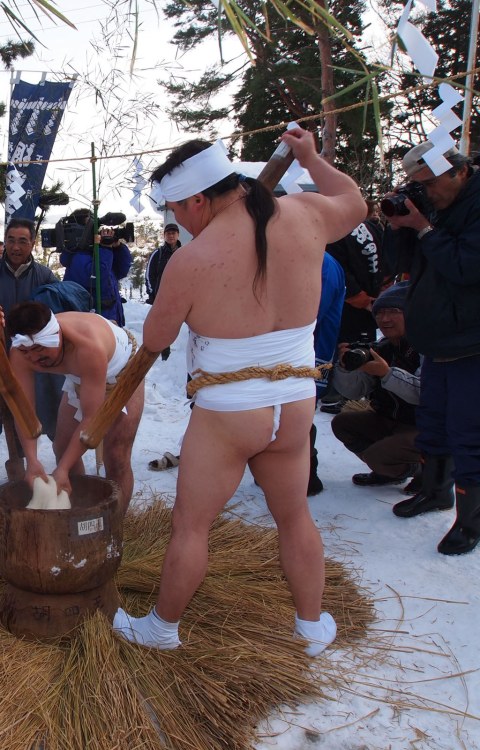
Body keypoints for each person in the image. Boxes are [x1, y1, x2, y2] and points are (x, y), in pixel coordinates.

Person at [112, 126, 366, 654]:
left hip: (229, 410)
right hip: (294, 401)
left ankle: (161, 628)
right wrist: (311, 157)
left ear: (199, 199)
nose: (177, 221)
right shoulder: (306, 213)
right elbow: (355, 203)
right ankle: (313, 624)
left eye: (178, 209)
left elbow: (157, 338)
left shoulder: (192, 260)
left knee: (191, 527)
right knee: (294, 515)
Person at [385, 141, 480, 556]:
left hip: (472, 341)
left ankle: (471, 521)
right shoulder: (436, 205)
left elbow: (465, 266)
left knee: (468, 432)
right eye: (416, 184)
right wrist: (402, 227)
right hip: (438, 338)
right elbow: (400, 266)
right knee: (434, 421)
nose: (424, 191)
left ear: (458, 171)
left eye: (429, 183)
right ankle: (435, 490)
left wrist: (425, 228)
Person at [6, 301, 144, 515]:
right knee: (62, 448)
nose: (33, 358)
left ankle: (116, 530)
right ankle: (77, 511)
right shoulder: (20, 354)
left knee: (116, 456)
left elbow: (92, 419)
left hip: (124, 371)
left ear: (57, 337)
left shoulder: (87, 347)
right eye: (26, 351)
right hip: (81, 377)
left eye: (39, 349)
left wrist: (62, 469)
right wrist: (32, 461)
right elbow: (24, 412)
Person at [330, 282, 422, 489]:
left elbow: (425, 394)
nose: (385, 319)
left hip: (425, 426)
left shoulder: (427, 348)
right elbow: (353, 392)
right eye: (379, 313)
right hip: (390, 419)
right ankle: (389, 470)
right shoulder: (382, 349)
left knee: (378, 455)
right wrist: (346, 367)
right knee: (343, 424)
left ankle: (425, 471)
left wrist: (387, 374)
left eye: (393, 311)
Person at [0, 218, 62, 443]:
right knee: (7, 414)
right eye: (11, 240)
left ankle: (62, 459)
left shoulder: (45, 276)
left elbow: (57, 317)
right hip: (1, 357)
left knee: (48, 406)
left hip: (34, 356)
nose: (16, 247)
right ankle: (18, 462)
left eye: (22, 241)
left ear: (33, 243)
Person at [319, 210, 384, 414]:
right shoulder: (369, 226)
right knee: (361, 346)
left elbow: (337, 270)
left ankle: (338, 393)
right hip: (368, 301)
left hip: (350, 304)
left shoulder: (333, 233)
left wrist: (361, 299)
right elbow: (387, 261)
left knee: (343, 347)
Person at [308, 252, 345, 495]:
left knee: (297, 414)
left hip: (312, 348)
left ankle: (307, 474)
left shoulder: (323, 262)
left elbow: (311, 313)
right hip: (298, 347)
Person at [60, 212, 132, 327]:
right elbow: (97, 277)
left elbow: (121, 270)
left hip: (110, 318)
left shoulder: (98, 253)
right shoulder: (78, 257)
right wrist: (105, 248)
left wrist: (118, 247)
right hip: (92, 325)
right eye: (92, 228)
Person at [145, 222, 182, 360]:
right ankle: (164, 350)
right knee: (163, 324)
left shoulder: (184, 252)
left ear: (178, 235)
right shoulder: (158, 253)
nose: (171, 236)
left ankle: (182, 347)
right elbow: (149, 275)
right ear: (164, 236)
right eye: (168, 233)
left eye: (173, 233)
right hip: (161, 296)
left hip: (181, 295)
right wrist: (153, 294)